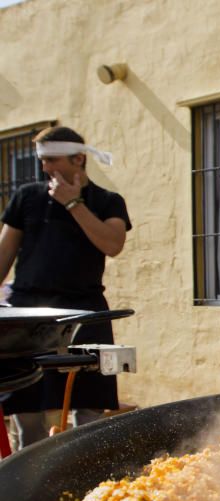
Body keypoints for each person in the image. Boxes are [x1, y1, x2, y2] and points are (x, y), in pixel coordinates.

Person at [0, 126, 131, 447]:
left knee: (88, 410)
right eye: (42, 161)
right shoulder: (27, 198)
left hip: (84, 315)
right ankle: (25, 487)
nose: (45, 168)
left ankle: (85, 478)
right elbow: (3, 255)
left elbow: (113, 244)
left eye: (53, 160)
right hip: (28, 319)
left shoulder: (107, 201)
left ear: (79, 159)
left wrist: (74, 204)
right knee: (26, 411)